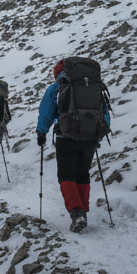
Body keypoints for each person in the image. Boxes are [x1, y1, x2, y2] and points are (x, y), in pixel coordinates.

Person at [36, 58, 111, 232]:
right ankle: (82, 209)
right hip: (90, 138)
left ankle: (77, 213)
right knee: (82, 174)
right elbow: (104, 113)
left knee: (66, 175)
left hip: (66, 136)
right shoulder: (94, 85)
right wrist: (98, 135)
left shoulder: (57, 87)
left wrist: (41, 133)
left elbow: (46, 112)